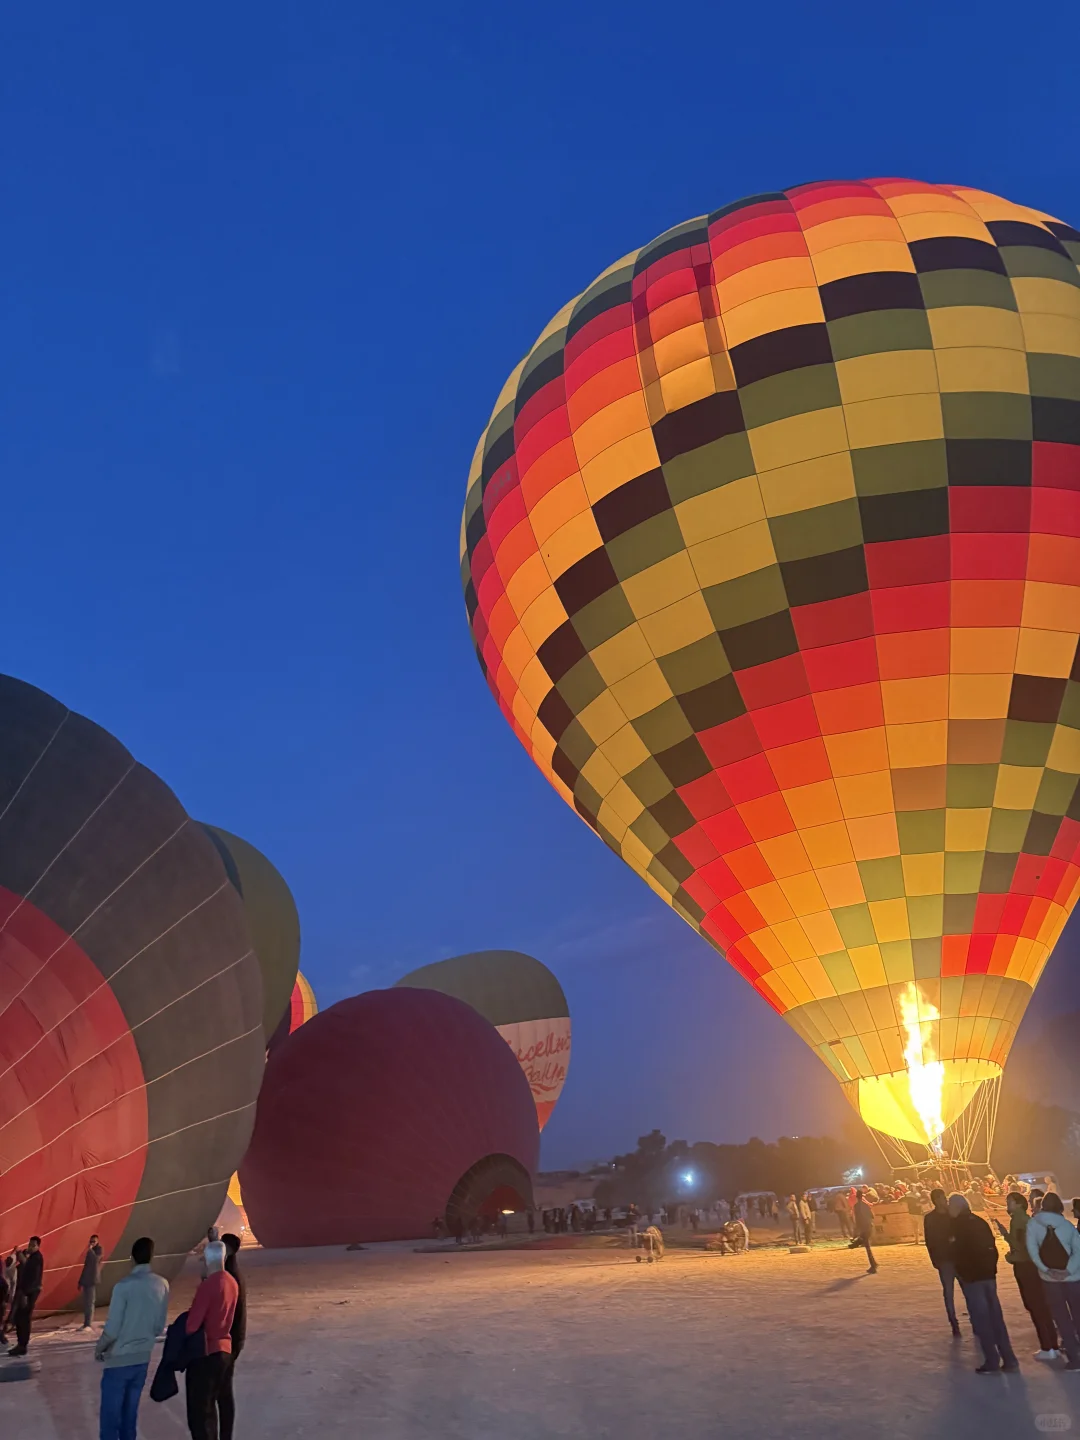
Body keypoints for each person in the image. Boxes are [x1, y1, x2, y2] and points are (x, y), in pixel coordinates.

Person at [96, 1236, 169, 1440]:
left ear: (132, 1258)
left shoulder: (123, 1287)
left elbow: (112, 1328)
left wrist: (100, 1348)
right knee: (130, 1418)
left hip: (118, 1360)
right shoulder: (162, 1285)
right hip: (142, 1359)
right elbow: (158, 1327)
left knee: (110, 1422)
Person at [949, 1194, 1018, 1373]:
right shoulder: (980, 1222)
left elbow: (957, 1252)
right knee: (996, 1318)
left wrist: (963, 1273)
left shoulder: (957, 1226)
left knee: (982, 1320)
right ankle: (1009, 1359)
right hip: (988, 1276)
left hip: (973, 1278)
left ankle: (992, 1360)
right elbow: (992, 1247)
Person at [184, 1241, 238, 1440]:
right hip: (225, 1348)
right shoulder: (232, 1282)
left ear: (208, 1259)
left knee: (201, 1413)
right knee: (217, 1405)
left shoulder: (209, 1285)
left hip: (207, 1351)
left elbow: (192, 1325)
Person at [996, 1191, 1059, 1360]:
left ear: (1018, 1204)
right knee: (1042, 1306)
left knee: (1034, 1305)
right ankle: (1053, 1345)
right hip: (1033, 1267)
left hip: (1026, 1268)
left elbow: (1023, 1248)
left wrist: (1011, 1255)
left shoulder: (1019, 1221)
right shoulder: (1025, 1220)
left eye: (1009, 1201)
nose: (1007, 1204)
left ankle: (1047, 1347)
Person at [1026, 1191, 1080, 1369]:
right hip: (1072, 1278)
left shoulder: (1033, 1225)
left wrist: (1046, 1270)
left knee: (1062, 1318)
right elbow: (1078, 1251)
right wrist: (1068, 1270)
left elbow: (1032, 1251)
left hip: (1049, 1280)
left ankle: (1074, 1358)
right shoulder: (1066, 1225)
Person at [218, 1234, 246, 1440]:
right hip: (232, 1340)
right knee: (223, 1392)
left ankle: (225, 1435)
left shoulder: (229, 1275)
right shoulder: (232, 1271)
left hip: (228, 1342)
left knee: (223, 1393)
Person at [924, 1188, 961, 1337]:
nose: (944, 1200)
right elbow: (929, 1240)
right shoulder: (931, 1218)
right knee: (949, 1292)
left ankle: (974, 1319)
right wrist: (935, 1259)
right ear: (935, 1200)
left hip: (958, 1257)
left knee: (967, 1289)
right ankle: (953, 1321)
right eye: (941, 1198)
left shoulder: (951, 1215)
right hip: (944, 1259)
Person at [7, 1236, 43, 1357]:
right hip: (27, 1291)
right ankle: (21, 1344)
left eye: (33, 1245)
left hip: (29, 1292)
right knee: (20, 1317)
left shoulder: (37, 1259)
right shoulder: (33, 1257)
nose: (30, 1247)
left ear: (38, 1246)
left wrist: (25, 1294)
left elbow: (33, 1277)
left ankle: (22, 1345)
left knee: (23, 1318)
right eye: (29, 1244)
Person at [79, 1232, 105, 1330]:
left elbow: (96, 1260)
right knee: (86, 1302)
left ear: (97, 1242)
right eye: (90, 1241)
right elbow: (86, 1267)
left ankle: (88, 1324)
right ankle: (86, 1322)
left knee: (90, 1302)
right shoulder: (90, 1252)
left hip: (92, 1279)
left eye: (94, 1241)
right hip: (86, 1279)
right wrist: (80, 1281)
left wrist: (90, 1251)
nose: (92, 1243)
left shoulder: (99, 1250)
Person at [849, 1188, 877, 1273]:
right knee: (866, 1244)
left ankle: (873, 1265)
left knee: (867, 1246)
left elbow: (857, 1219)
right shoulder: (866, 1205)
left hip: (863, 1227)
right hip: (869, 1226)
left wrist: (856, 1231)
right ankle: (873, 1264)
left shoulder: (856, 1206)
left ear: (856, 1197)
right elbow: (872, 1216)